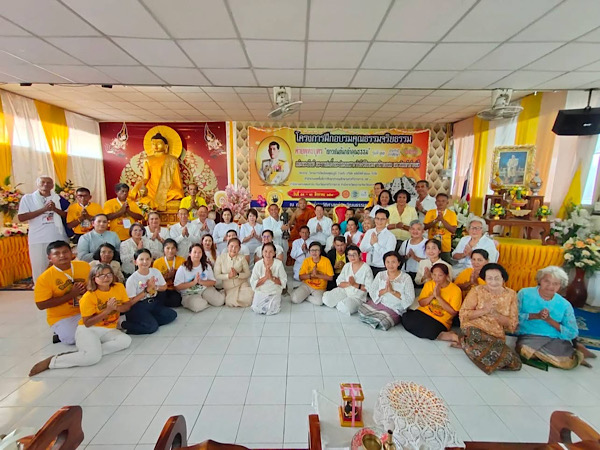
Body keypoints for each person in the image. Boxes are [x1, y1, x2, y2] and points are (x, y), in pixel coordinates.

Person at [29, 263, 132, 376]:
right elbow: (87, 323)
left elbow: (127, 306)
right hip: (89, 329)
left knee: (125, 341)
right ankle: (53, 361)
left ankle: (85, 352)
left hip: (108, 329)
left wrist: (116, 308)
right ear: (94, 278)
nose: (106, 278)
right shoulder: (88, 296)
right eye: (101, 275)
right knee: (92, 359)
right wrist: (107, 311)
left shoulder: (118, 287)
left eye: (109, 274)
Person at [516, 266, 595, 370]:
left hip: (554, 338)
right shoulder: (524, 294)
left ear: (560, 286)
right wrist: (536, 316)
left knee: (568, 363)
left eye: (555, 284)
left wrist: (549, 320)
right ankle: (576, 352)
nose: (550, 286)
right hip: (529, 336)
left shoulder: (564, 304)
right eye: (546, 281)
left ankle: (576, 352)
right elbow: (513, 317)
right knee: (524, 351)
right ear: (540, 280)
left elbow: (572, 332)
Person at [449, 263, 520, 374]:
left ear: (503, 279)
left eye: (497, 278)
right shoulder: (477, 291)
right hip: (474, 328)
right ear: (485, 279)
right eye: (489, 278)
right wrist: (484, 310)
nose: (493, 282)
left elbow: (512, 323)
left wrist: (497, 315)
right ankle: (467, 342)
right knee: (476, 342)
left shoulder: (511, 294)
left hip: (495, 334)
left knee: (514, 363)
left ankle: (465, 344)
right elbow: (464, 314)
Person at [34, 241, 91, 344]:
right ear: (49, 258)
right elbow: (41, 305)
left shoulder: (84, 266)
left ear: (71, 253)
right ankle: (59, 331)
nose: (62, 256)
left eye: (65, 252)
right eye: (57, 253)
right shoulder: (44, 278)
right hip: (62, 317)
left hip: (86, 310)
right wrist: (71, 295)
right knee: (72, 338)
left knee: (109, 325)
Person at [17, 176, 68, 282]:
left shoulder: (59, 198)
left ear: (52, 185)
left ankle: (62, 287)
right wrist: (44, 209)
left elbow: (66, 216)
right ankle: (40, 288)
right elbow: (21, 217)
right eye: (43, 182)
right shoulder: (28, 198)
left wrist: (55, 209)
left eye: (49, 182)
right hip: (38, 238)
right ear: (37, 184)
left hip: (57, 236)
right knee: (39, 266)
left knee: (61, 265)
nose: (45, 184)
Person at [402, 263, 462, 340]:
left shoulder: (456, 290)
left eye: (440, 275)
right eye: (434, 275)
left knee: (430, 330)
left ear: (447, 275)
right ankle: (441, 335)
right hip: (424, 313)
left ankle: (447, 335)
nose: (436, 278)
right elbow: (421, 303)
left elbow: (453, 312)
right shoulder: (429, 284)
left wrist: (438, 297)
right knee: (406, 319)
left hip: (440, 319)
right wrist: (432, 296)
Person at [123, 249, 177, 334]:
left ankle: (148, 321)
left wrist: (154, 287)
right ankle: (124, 325)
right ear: (135, 262)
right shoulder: (132, 279)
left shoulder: (155, 272)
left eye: (147, 259)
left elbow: (164, 287)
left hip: (153, 302)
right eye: (141, 259)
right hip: (138, 306)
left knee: (172, 315)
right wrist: (146, 290)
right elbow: (131, 302)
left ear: (151, 260)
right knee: (152, 328)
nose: (145, 262)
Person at [359, 251, 414, 330]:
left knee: (384, 322)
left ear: (399, 263)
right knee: (361, 309)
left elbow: (410, 298)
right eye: (387, 262)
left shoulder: (406, 278)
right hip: (381, 303)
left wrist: (393, 292)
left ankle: (375, 319)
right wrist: (384, 291)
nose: (390, 265)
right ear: (384, 263)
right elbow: (372, 290)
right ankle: (375, 319)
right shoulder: (380, 274)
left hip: (395, 308)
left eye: (393, 262)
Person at [137, 132, 184, 211]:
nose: (155, 146)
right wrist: (137, 187)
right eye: (153, 144)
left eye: (159, 143)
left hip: (168, 189)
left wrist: (177, 189)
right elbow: (146, 178)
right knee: (141, 198)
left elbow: (177, 180)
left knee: (177, 193)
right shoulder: (148, 159)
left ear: (166, 146)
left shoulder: (172, 159)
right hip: (152, 189)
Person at [323, 245, 373, 315]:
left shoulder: (366, 268)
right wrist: (349, 284)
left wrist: (355, 284)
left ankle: (342, 303)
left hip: (357, 296)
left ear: (360, 255)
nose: (352, 257)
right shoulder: (347, 265)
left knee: (345, 307)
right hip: (344, 291)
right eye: (349, 255)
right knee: (326, 299)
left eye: (354, 254)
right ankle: (341, 302)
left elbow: (369, 288)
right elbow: (339, 281)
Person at [174, 243, 224, 312]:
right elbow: (177, 286)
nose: (197, 254)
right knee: (198, 306)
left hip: (204, 289)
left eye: (199, 252)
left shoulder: (206, 266)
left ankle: (217, 294)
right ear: (190, 254)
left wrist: (201, 282)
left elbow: (213, 282)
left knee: (220, 302)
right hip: (189, 293)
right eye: (194, 252)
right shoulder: (183, 268)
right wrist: (193, 283)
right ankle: (203, 300)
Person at [250, 242, 288, 315]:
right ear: (262, 253)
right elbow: (253, 282)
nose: (268, 254)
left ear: (274, 253)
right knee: (256, 308)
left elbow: (283, 281)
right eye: (265, 251)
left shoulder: (279, 264)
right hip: (261, 291)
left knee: (272, 310)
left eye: (270, 252)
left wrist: (272, 278)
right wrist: (265, 277)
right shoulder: (258, 264)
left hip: (274, 291)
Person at [291, 241, 334, 305]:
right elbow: (300, 277)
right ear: (309, 251)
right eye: (312, 250)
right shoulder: (306, 261)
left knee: (319, 302)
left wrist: (317, 275)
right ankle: (303, 293)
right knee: (294, 299)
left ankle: (306, 297)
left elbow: (330, 278)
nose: (314, 252)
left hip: (320, 287)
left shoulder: (326, 261)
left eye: (317, 250)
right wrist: (311, 275)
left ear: (320, 251)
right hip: (307, 285)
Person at [214, 238, 254, 307]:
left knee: (248, 298)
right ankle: (225, 294)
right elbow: (216, 275)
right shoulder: (220, 258)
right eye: (231, 246)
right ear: (227, 247)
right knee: (230, 302)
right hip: (228, 286)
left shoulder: (242, 258)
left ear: (239, 248)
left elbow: (247, 273)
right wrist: (228, 276)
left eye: (236, 247)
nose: (233, 249)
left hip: (241, 284)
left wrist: (237, 274)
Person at [360, 209, 396, 276]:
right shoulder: (369, 232)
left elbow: (388, 255)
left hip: (382, 268)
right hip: (368, 266)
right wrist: (371, 244)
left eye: (382, 219)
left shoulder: (391, 236)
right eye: (377, 218)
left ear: (387, 220)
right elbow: (362, 249)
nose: (379, 221)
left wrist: (375, 244)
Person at [424, 193, 457, 263]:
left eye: (443, 201)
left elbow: (453, 230)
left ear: (447, 202)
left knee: (445, 265)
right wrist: (436, 220)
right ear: (435, 202)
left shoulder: (452, 214)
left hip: (445, 246)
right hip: (431, 246)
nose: (440, 203)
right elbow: (425, 227)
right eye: (438, 201)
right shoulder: (430, 212)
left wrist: (442, 220)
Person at [153, 239, 185, 308]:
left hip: (176, 289)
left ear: (176, 250)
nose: (170, 251)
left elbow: (185, 277)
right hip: (163, 288)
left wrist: (175, 275)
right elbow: (155, 280)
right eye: (168, 248)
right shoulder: (157, 262)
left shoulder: (182, 261)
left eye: (173, 248)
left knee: (176, 301)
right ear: (163, 249)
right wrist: (167, 276)